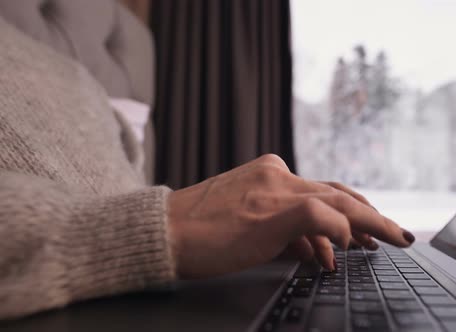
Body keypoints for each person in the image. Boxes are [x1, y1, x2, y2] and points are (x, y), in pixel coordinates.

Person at [0, 19, 414, 320]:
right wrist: (157, 228)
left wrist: (233, 229)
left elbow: (117, 188)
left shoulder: (74, 75)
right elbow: (126, 217)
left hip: (154, 293)